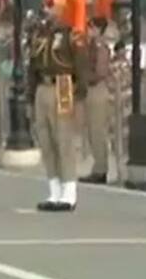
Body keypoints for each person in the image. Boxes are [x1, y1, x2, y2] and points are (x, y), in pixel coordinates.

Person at [28, 13, 88, 212]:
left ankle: (69, 192)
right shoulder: (40, 33)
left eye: (52, 4)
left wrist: (78, 93)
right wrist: (30, 95)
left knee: (63, 139)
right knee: (46, 141)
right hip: (42, 86)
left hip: (63, 84)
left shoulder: (72, 35)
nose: (47, 9)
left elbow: (81, 64)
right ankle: (54, 190)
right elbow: (32, 66)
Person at [79, 17, 111, 184]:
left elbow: (100, 71)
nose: (89, 30)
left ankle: (101, 169)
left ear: (98, 29)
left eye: (91, 28)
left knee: (97, 131)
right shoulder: (91, 46)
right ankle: (98, 167)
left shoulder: (100, 47)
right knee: (92, 131)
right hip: (90, 90)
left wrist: (85, 78)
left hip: (97, 89)